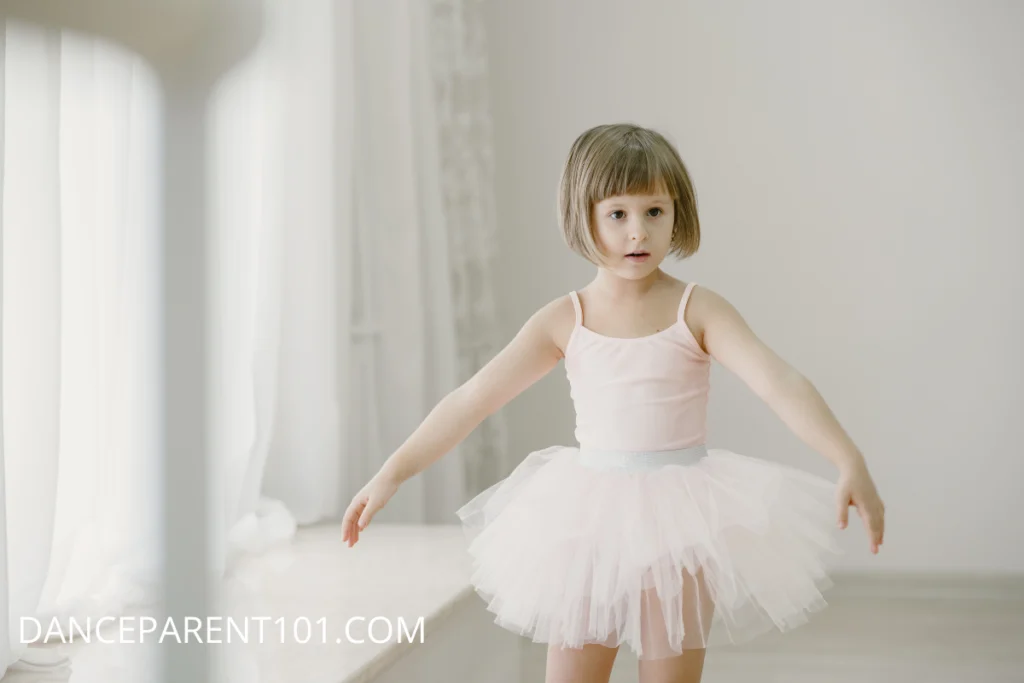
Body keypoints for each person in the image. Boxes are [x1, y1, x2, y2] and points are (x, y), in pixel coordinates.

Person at [342, 123, 885, 683]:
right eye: (618, 214)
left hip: (680, 522)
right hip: (587, 522)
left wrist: (848, 458)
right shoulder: (564, 319)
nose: (637, 232)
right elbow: (473, 399)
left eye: (654, 211)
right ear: (585, 216)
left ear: (678, 213)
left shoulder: (697, 310)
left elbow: (779, 381)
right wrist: (392, 472)